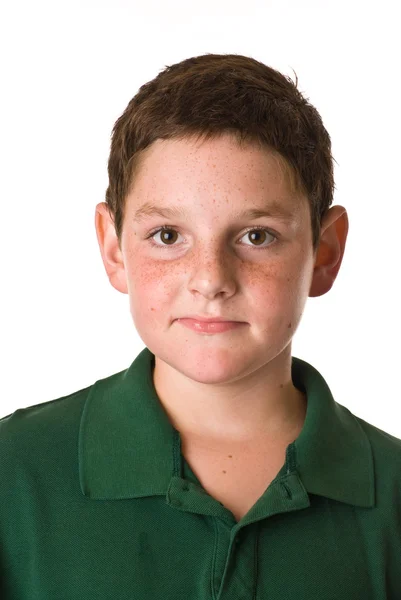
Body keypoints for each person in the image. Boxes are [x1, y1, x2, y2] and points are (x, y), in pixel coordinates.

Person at [1, 53, 400, 599]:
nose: (211, 279)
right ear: (114, 248)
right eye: (168, 235)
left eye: (256, 236)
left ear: (325, 252)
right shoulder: (13, 476)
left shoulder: (393, 496)